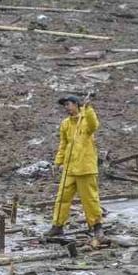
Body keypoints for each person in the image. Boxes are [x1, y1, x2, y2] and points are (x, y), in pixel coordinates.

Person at [47, 95, 103, 240]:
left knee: (90, 199)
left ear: (76, 105)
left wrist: (88, 108)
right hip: (70, 169)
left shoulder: (85, 121)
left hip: (85, 168)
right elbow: (63, 145)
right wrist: (58, 162)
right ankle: (57, 226)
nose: (66, 107)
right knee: (62, 198)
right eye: (64, 105)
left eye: (68, 104)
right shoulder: (65, 124)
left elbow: (94, 124)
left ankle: (97, 227)